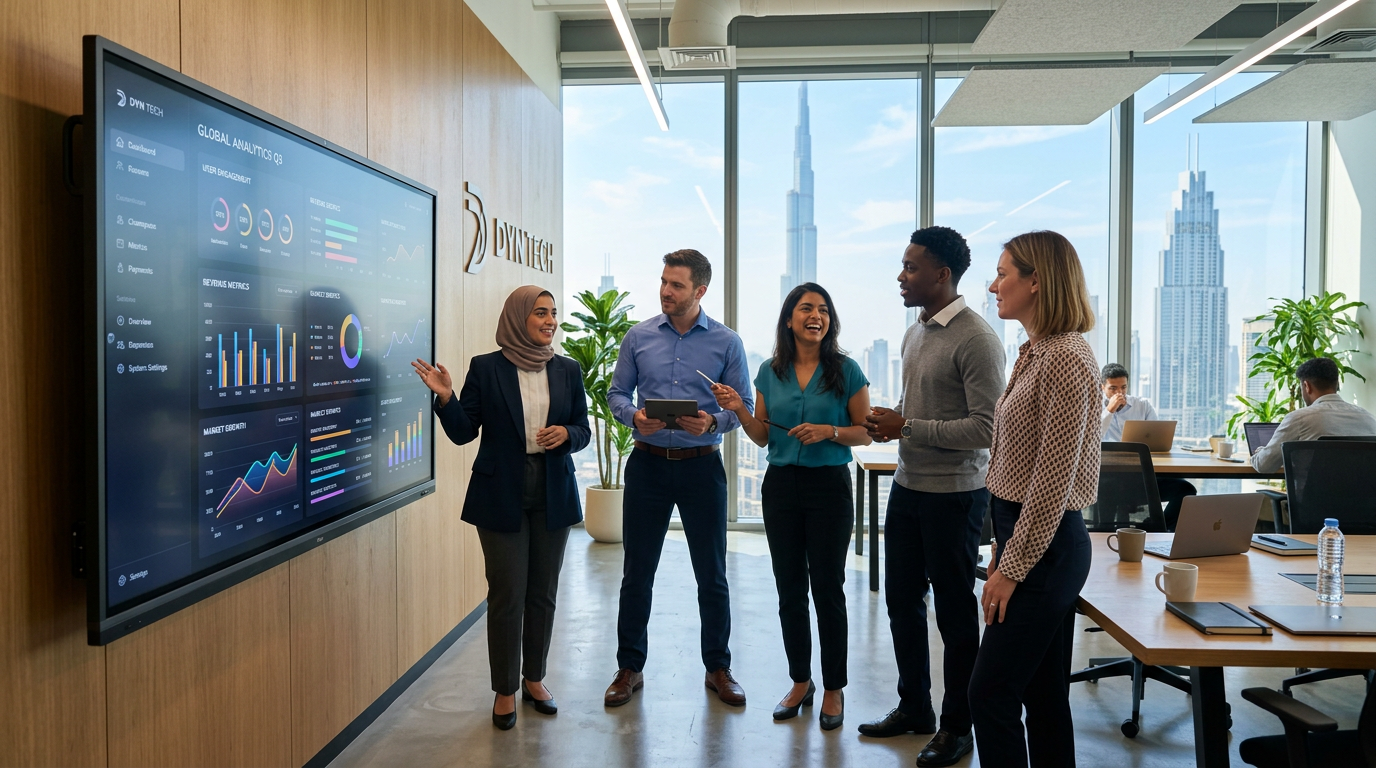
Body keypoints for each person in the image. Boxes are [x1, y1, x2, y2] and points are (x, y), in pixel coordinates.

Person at [412, 286, 591, 730]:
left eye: (554, 313)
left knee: (543, 594)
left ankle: (534, 679)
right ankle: (505, 689)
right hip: (501, 495)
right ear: (517, 318)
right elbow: (462, 432)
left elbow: (584, 429)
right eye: (540, 313)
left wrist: (567, 435)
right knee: (508, 594)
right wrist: (447, 398)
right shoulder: (487, 368)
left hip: (553, 491)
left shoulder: (568, 370)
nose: (550, 320)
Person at [860, 226, 1005, 767]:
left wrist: (910, 427)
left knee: (953, 614)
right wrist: (890, 425)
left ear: (942, 275)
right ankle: (914, 708)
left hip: (955, 497)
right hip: (908, 488)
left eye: (911, 267)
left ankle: (956, 726)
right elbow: (918, 409)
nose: (901, 276)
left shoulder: (977, 338)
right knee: (901, 603)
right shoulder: (915, 332)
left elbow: (987, 428)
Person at [712, 283, 871, 731]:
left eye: (822, 309)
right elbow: (763, 434)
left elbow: (866, 430)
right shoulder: (769, 371)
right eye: (806, 308)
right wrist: (738, 410)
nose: (815, 316)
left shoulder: (847, 370)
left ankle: (834, 687)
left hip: (829, 488)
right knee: (789, 591)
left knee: (827, 588)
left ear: (830, 321)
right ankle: (801, 681)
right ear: (789, 319)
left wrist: (829, 431)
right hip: (781, 487)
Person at [969, 230, 1099, 767]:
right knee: (1043, 698)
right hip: (1028, 542)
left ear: (1037, 281)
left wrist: (1011, 567)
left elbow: (1049, 483)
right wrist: (1005, 549)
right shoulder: (1038, 351)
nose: (994, 284)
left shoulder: (1065, 357)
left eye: (1004, 273)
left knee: (990, 695)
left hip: (1044, 551)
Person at [603, 249, 753, 708]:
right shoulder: (638, 336)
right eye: (664, 282)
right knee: (637, 572)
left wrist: (711, 424)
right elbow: (615, 394)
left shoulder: (727, 343)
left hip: (701, 468)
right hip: (647, 465)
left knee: (712, 574)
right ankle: (629, 667)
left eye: (677, 285)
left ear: (700, 291)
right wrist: (635, 418)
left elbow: (742, 405)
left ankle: (718, 668)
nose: (666, 291)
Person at [1100, 362, 1196, 530]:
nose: (1119, 393)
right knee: (1107, 493)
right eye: (1113, 389)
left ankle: (1157, 527)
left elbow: (1158, 437)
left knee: (1186, 489)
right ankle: (1103, 533)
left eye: (1123, 387)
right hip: (1110, 479)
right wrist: (1109, 410)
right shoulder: (1095, 407)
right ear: (1102, 387)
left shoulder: (1142, 405)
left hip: (1142, 478)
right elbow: (1093, 436)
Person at [1250, 356, 1376, 473]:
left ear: (1306, 386)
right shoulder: (1369, 419)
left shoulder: (1300, 418)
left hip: (1313, 497)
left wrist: (1261, 452)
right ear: (1337, 384)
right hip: (1362, 497)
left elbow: (1265, 465)